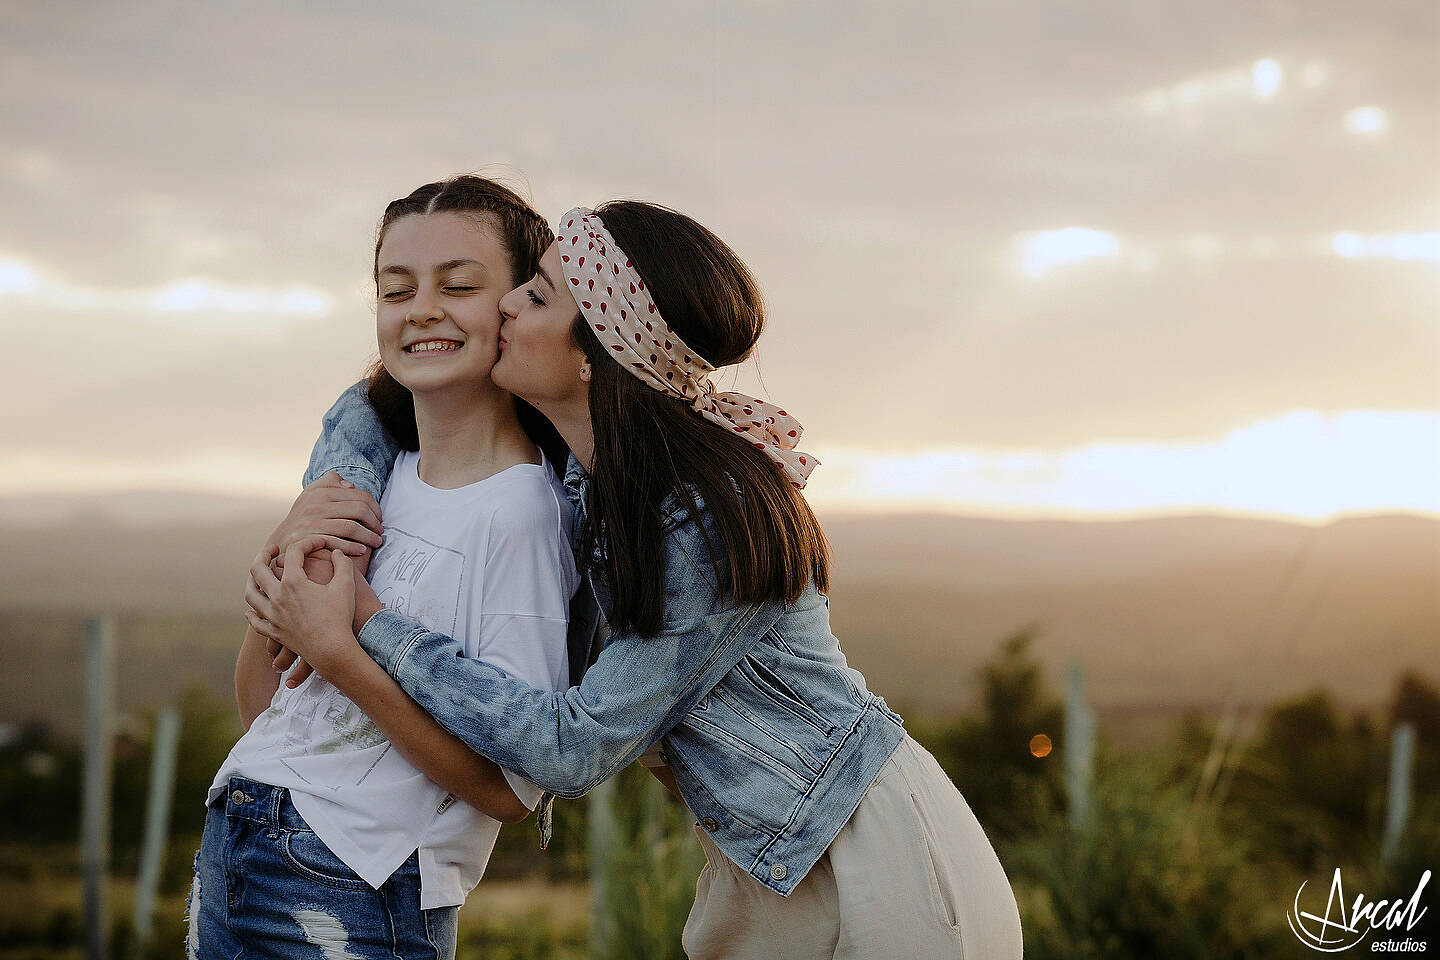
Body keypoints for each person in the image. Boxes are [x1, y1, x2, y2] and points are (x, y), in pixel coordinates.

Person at [249, 201, 1024, 958]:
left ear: (594, 353)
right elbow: (368, 403)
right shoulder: (591, 477)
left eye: (537, 293)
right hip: (769, 859)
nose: (508, 304)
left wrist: (367, 623)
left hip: (872, 857)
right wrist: (335, 507)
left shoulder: (698, 523)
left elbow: (571, 747)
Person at [193, 176, 579, 960]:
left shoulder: (521, 515)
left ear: (516, 306)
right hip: (236, 846)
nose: (422, 309)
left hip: (358, 887)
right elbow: (266, 708)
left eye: (459, 285)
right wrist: (283, 565)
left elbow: (510, 786)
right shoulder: (368, 488)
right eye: (396, 289)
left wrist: (340, 649)